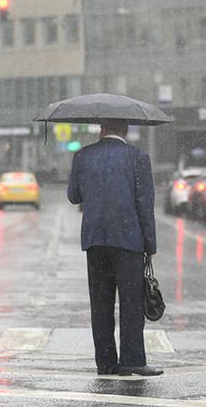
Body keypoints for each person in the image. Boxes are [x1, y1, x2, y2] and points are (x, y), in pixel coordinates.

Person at [66, 120, 162, 377]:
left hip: (95, 239)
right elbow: (145, 203)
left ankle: (106, 362)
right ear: (126, 131)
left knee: (100, 303)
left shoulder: (83, 155)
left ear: (102, 130)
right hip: (128, 238)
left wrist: (95, 188)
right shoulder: (137, 157)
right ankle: (132, 360)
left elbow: (74, 196)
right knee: (131, 303)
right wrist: (149, 243)